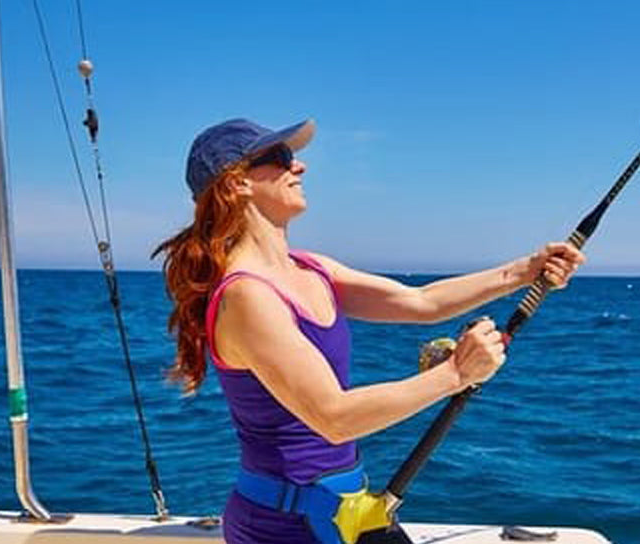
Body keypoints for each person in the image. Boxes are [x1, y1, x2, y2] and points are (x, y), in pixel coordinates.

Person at [154, 117, 585, 544]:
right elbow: (334, 417)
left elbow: (421, 303)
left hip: (345, 510)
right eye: (282, 157)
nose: (299, 167)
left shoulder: (311, 268)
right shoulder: (248, 296)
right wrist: (456, 374)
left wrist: (524, 271)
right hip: (284, 525)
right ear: (236, 185)